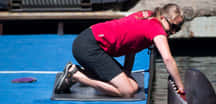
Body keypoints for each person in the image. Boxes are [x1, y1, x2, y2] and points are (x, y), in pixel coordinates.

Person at [55, 3, 185, 98]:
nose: (173, 32)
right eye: (173, 26)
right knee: (127, 91)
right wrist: (181, 86)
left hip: (88, 40)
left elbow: (132, 45)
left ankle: (77, 73)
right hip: (89, 47)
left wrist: (126, 72)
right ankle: (75, 75)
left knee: (133, 86)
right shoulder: (156, 28)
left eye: (177, 29)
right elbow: (167, 59)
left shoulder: (147, 16)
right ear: (163, 18)